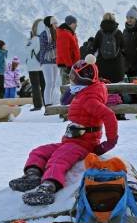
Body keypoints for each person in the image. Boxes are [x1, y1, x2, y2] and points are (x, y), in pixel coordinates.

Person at [8, 55, 119, 206]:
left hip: (83, 144)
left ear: (83, 80)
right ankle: (33, 176)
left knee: (59, 158)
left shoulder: (89, 99)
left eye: (74, 77)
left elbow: (108, 115)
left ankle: (48, 187)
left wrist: (110, 142)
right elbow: (67, 101)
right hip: (72, 141)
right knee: (39, 151)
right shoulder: (83, 93)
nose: (71, 79)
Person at [92, 12, 125, 84]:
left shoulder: (99, 33)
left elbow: (94, 48)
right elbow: (124, 48)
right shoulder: (118, 33)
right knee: (117, 91)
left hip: (102, 68)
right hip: (117, 68)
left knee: (103, 90)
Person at [24, 19, 46, 111]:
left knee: (35, 85)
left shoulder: (34, 39)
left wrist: (30, 39)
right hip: (42, 65)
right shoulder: (43, 39)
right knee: (43, 84)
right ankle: (47, 103)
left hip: (33, 66)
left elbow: (27, 50)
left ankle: (37, 105)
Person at [39, 16, 60, 106]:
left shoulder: (57, 33)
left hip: (56, 60)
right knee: (49, 82)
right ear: (50, 24)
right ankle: (47, 103)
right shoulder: (44, 34)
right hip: (46, 61)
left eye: (56, 23)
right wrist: (56, 44)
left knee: (54, 82)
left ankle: (51, 102)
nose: (56, 25)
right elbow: (44, 48)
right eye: (54, 23)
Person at [56, 15, 81, 88]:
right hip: (66, 66)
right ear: (71, 23)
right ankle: (65, 99)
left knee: (72, 87)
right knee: (67, 87)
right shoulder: (64, 34)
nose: (76, 25)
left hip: (72, 65)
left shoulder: (70, 33)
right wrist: (69, 66)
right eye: (75, 23)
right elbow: (64, 51)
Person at [123, 6, 137, 79]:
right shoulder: (125, 31)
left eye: (131, 18)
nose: (129, 20)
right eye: (128, 18)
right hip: (127, 65)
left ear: (135, 18)